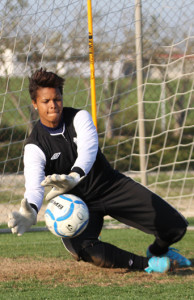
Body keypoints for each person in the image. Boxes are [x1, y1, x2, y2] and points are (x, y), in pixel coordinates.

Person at [8, 68, 191, 273]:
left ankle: (157, 251)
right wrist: (31, 211)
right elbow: (34, 186)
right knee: (88, 252)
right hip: (78, 205)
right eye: (46, 101)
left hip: (110, 186)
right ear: (35, 104)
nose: (53, 105)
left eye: (57, 99)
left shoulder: (79, 118)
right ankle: (148, 265)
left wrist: (75, 176)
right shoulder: (34, 146)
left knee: (175, 227)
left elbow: (89, 151)